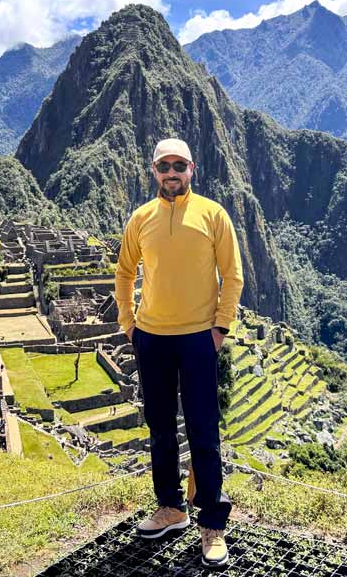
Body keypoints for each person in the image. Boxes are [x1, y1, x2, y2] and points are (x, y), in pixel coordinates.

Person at [114, 138, 244, 568]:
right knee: (161, 427)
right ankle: (170, 507)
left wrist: (220, 328)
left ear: (192, 169)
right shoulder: (141, 218)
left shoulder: (213, 214)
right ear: (154, 171)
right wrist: (129, 323)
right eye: (164, 166)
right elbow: (124, 271)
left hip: (198, 339)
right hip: (151, 337)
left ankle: (212, 525)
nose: (172, 172)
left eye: (179, 165)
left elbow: (233, 275)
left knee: (204, 430)